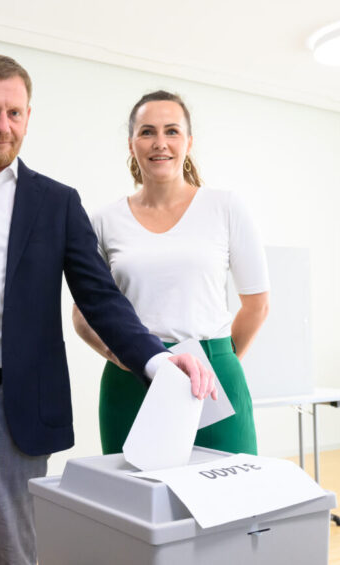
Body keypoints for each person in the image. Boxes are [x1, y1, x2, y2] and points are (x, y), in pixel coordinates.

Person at [0, 57, 216, 565]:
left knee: (20, 555)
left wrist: (157, 361)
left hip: (18, 409)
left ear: (28, 117)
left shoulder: (57, 203)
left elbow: (100, 298)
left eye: (13, 112)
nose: (1, 125)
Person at [73, 90, 270, 456]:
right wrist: (128, 360)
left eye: (172, 131)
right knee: (132, 504)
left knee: (227, 500)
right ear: (131, 144)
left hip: (212, 377)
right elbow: (82, 316)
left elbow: (256, 304)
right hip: (132, 378)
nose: (159, 143)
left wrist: (217, 362)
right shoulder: (103, 221)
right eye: (147, 132)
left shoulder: (225, 207)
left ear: (189, 142)